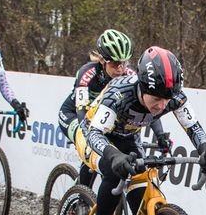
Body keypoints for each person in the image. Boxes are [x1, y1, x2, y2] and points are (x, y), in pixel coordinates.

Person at [69, 45, 206, 215]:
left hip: (128, 138)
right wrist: (113, 155)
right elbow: (95, 133)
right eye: (156, 99)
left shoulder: (171, 96)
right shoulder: (120, 94)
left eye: (166, 99)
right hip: (92, 135)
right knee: (113, 171)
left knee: (140, 200)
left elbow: (193, 126)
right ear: (141, 86)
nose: (161, 106)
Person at [56, 29, 170, 186]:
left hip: (100, 116)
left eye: (124, 63)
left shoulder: (130, 76)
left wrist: (160, 134)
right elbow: (81, 110)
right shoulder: (87, 73)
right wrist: (90, 137)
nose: (120, 68)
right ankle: (81, 198)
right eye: (116, 63)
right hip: (73, 114)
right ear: (103, 60)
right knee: (92, 147)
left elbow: (148, 109)